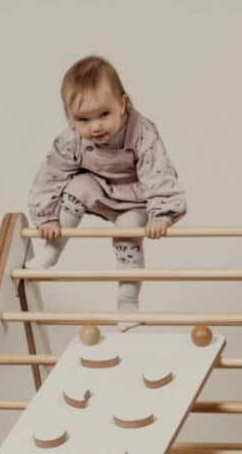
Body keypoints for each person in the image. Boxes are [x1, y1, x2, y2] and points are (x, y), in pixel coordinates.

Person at [27, 55, 186, 331]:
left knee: (126, 236)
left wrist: (162, 213)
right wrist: (46, 218)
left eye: (104, 114)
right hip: (98, 189)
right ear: (70, 118)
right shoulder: (71, 140)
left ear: (122, 104)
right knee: (76, 187)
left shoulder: (142, 132)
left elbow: (158, 171)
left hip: (134, 198)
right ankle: (51, 252)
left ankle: (127, 303)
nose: (95, 126)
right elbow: (50, 175)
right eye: (83, 119)